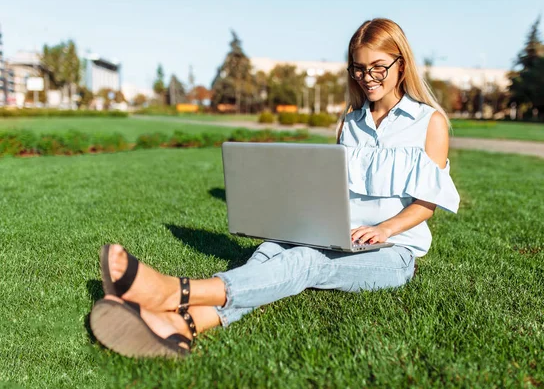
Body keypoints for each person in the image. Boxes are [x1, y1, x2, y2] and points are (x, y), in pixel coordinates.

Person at [90, 18, 460, 358]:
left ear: (402, 64)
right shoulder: (349, 122)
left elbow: (426, 204)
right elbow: (330, 188)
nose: (368, 77)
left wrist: (382, 230)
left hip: (393, 254)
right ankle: (184, 325)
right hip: (339, 234)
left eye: (378, 67)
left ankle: (175, 293)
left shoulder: (430, 123)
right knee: (270, 249)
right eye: (359, 68)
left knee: (307, 262)